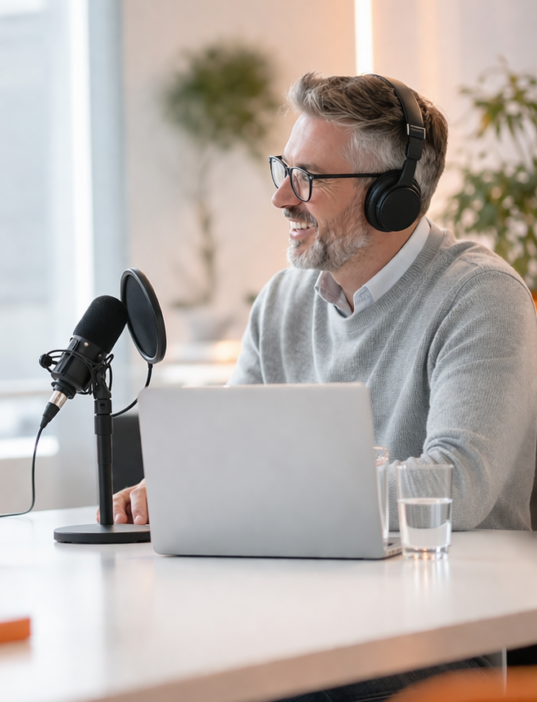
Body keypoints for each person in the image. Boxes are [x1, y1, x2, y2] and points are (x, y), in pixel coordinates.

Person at [109, 72, 537, 700]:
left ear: (393, 196)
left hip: (431, 640)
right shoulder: (282, 301)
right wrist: (179, 485)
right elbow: (229, 453)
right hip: (290, 616)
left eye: (308, 177)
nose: (282, 197)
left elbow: (456, 489)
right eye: (283, 168)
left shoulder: (480, 296)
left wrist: (248, 485)